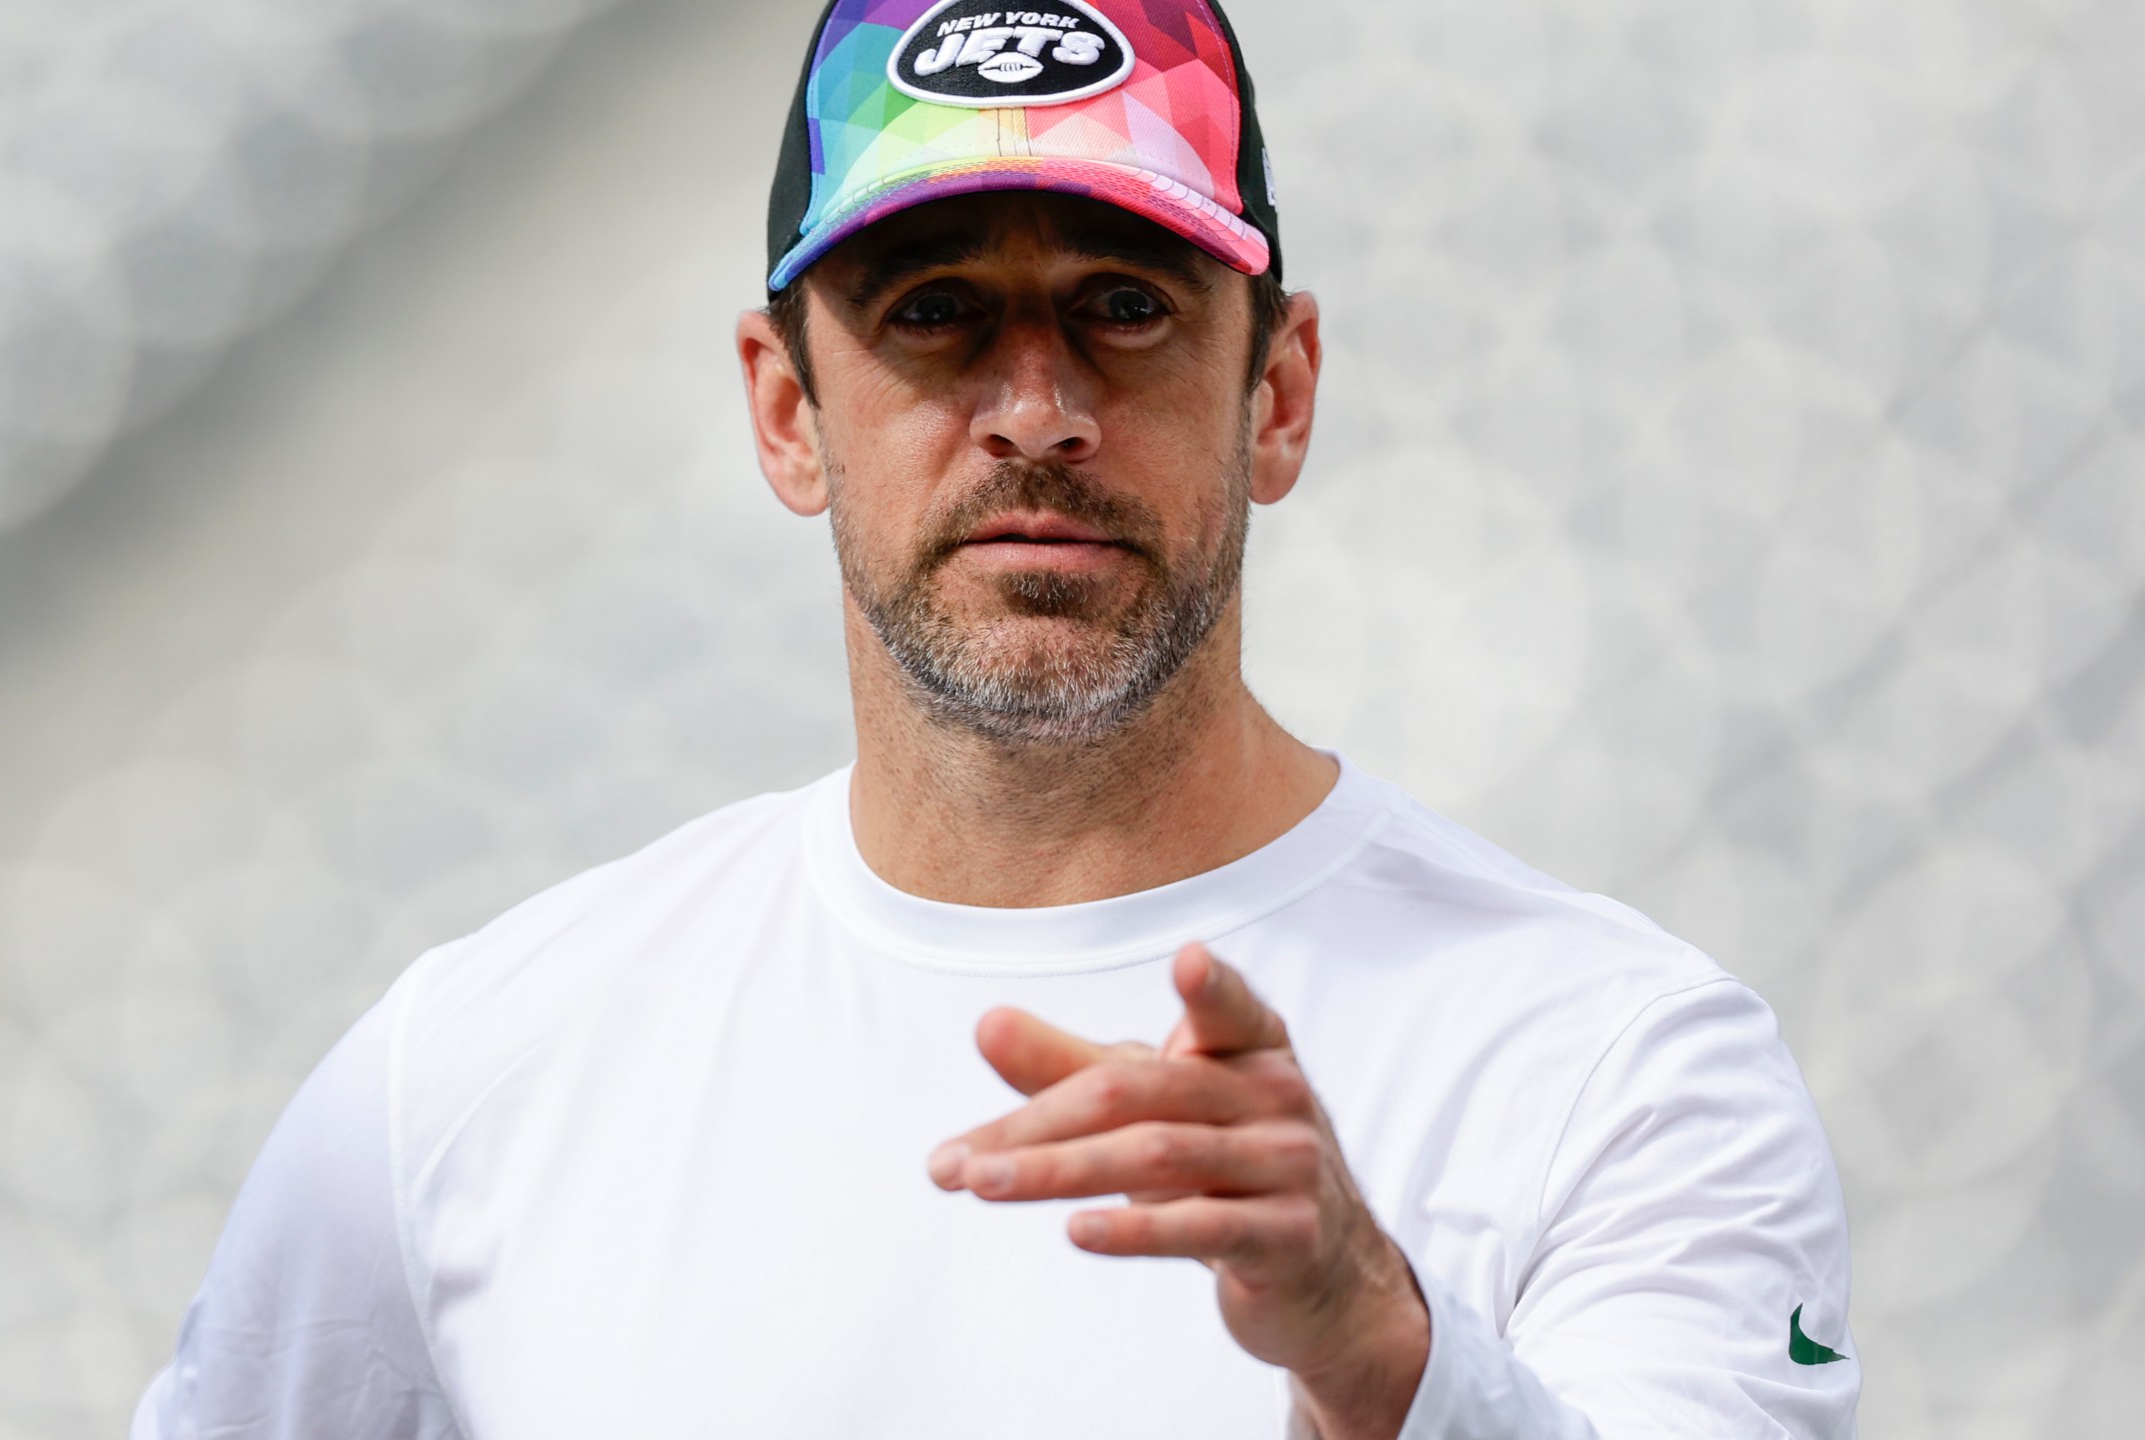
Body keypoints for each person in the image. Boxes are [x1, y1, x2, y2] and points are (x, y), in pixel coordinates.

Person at [133, 1, 1859, 1436]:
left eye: (1125, 306)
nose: (1036, 412)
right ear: (785, 410)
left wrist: (1377, 1349)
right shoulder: (472, 1079)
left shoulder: (1618, 1069)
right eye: (936, 313)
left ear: (1280, 391)